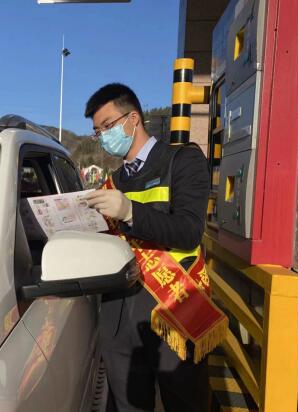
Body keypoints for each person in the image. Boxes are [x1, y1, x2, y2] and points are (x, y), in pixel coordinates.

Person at [84, 83, 220, 412]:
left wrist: (130, 211)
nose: (103, 137)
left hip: (175, 308)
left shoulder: (182, 160)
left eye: (107, 126)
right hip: (120, 317)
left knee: (186, 403)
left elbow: (188, 232)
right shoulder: (113, 181)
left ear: (133, 119)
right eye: (97, 132)